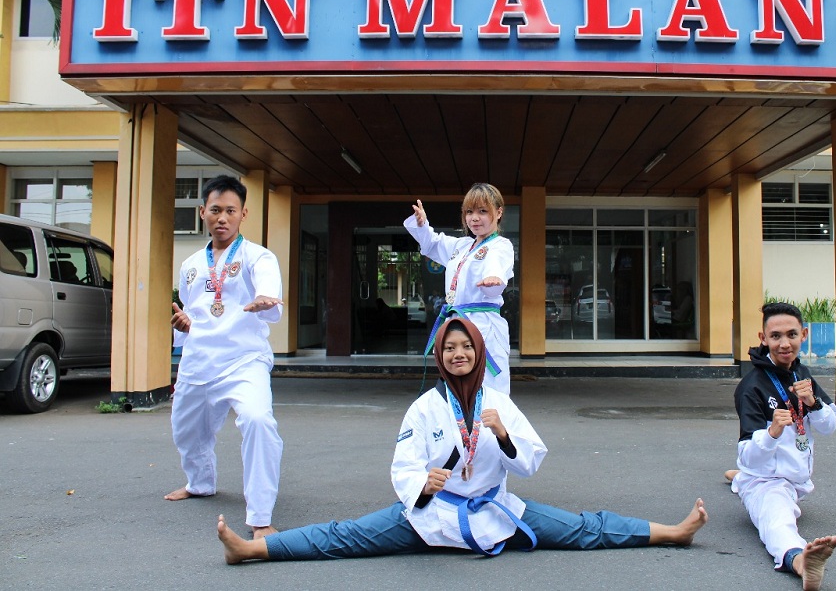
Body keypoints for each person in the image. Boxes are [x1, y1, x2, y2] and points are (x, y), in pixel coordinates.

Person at [216, 317, 708, 563]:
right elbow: (402, 464)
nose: (457, 354)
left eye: (465, 346)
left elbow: (532, 458)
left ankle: (670, 531)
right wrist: (423, 484)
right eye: (448, 348)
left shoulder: (499, 402)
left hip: (495, 509)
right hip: (430, 515)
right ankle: (253, 550)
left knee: (582, 528)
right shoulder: (425, 406)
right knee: (346, 536)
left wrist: (502, 434)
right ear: (439, 355)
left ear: (478, 352)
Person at [166, 175, 285, 540]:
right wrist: (183, 326)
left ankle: (260, 516)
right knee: (187, 431)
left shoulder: (258, 256)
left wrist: (265, 299)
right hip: (199, 361)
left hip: (243, 361)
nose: (222, 218)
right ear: (203, 212)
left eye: (230, 211)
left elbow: (269, 293)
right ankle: (199, 483)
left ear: (243, 214)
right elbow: (192, 311)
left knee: (258, 421)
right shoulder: (189, 265)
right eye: (215, 210)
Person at [729, 302, 836, 591]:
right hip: (767, 481)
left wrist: (813, 403)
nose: (784, 343)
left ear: (803, 334)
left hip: (797, 480)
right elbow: (749, 457)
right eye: (775, 336)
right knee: (776, 520)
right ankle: (801, 561)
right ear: (763, 338)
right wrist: (773, 432)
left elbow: (829, 426)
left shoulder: (801, 373)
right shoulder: (751, 387)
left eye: (791, 334)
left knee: (743, 477)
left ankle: (736, 479)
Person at [404, 183, 514, 394]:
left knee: (489, 386)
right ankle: (461, 426)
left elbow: (496, 268)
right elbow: (433, 244)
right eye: (469, 212)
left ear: (498, 212)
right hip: (457, 324)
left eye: (483, 211)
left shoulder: (501, 245)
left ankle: (491, 427)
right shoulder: (462, 246)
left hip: (485, 325)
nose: (474, 218)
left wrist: (493, 279)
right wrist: (422, 225)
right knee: (457, 384)